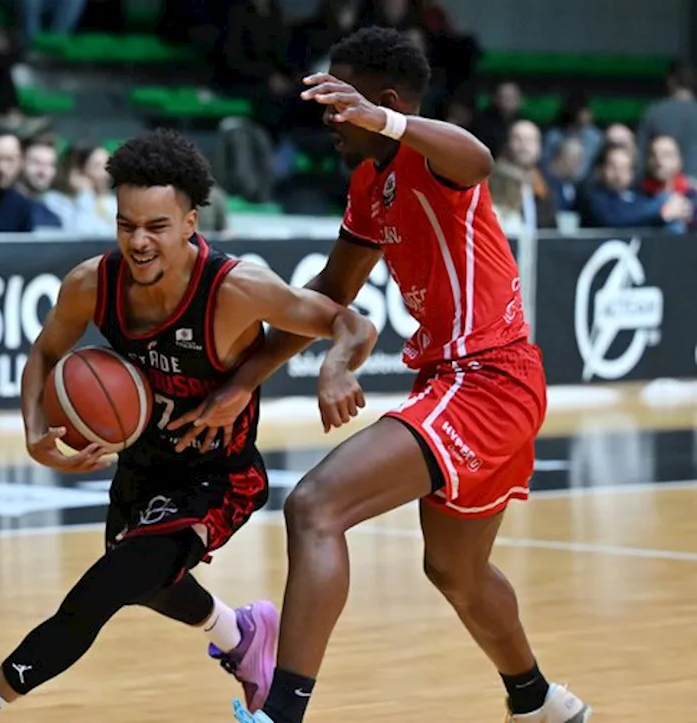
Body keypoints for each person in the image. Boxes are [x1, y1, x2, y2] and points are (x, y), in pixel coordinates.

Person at [164, 28, 591, 723]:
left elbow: (479, 156)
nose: (329, 118)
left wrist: (388, 123)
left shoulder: (439, 163)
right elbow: (331, 289)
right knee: (454, 569)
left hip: (487, 377)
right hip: (457, 385)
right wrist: (247, 377)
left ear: (385, 103)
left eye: (341, 102)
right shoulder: (369, 183)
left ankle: (281, 712)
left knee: (315, 506)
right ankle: (540, 700)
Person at [0, 128, 379, 722]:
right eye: (126, 225)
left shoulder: (235, 289)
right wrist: (35, 432)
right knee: (149, 581)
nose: (138, 241)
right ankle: (241, 634)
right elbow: (43, 353)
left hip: (218, 475)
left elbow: (353, 325)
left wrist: (334, 370)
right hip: (142, 468)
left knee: (103, 590)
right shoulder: (93, 282)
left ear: (191, 221)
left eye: (156, 226)